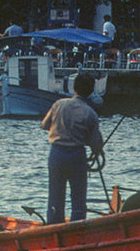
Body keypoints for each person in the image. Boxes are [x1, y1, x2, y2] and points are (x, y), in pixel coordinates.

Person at [40, 72, 105, 223]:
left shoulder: (59, 104)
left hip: (56, 154)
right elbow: (95, 144)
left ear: (74, 88)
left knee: (55, 195)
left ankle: (54, 228)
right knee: (78, 198)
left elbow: (44, 125)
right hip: (77, 155)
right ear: (90, 92)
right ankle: (77, 230)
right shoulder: (91, 113)